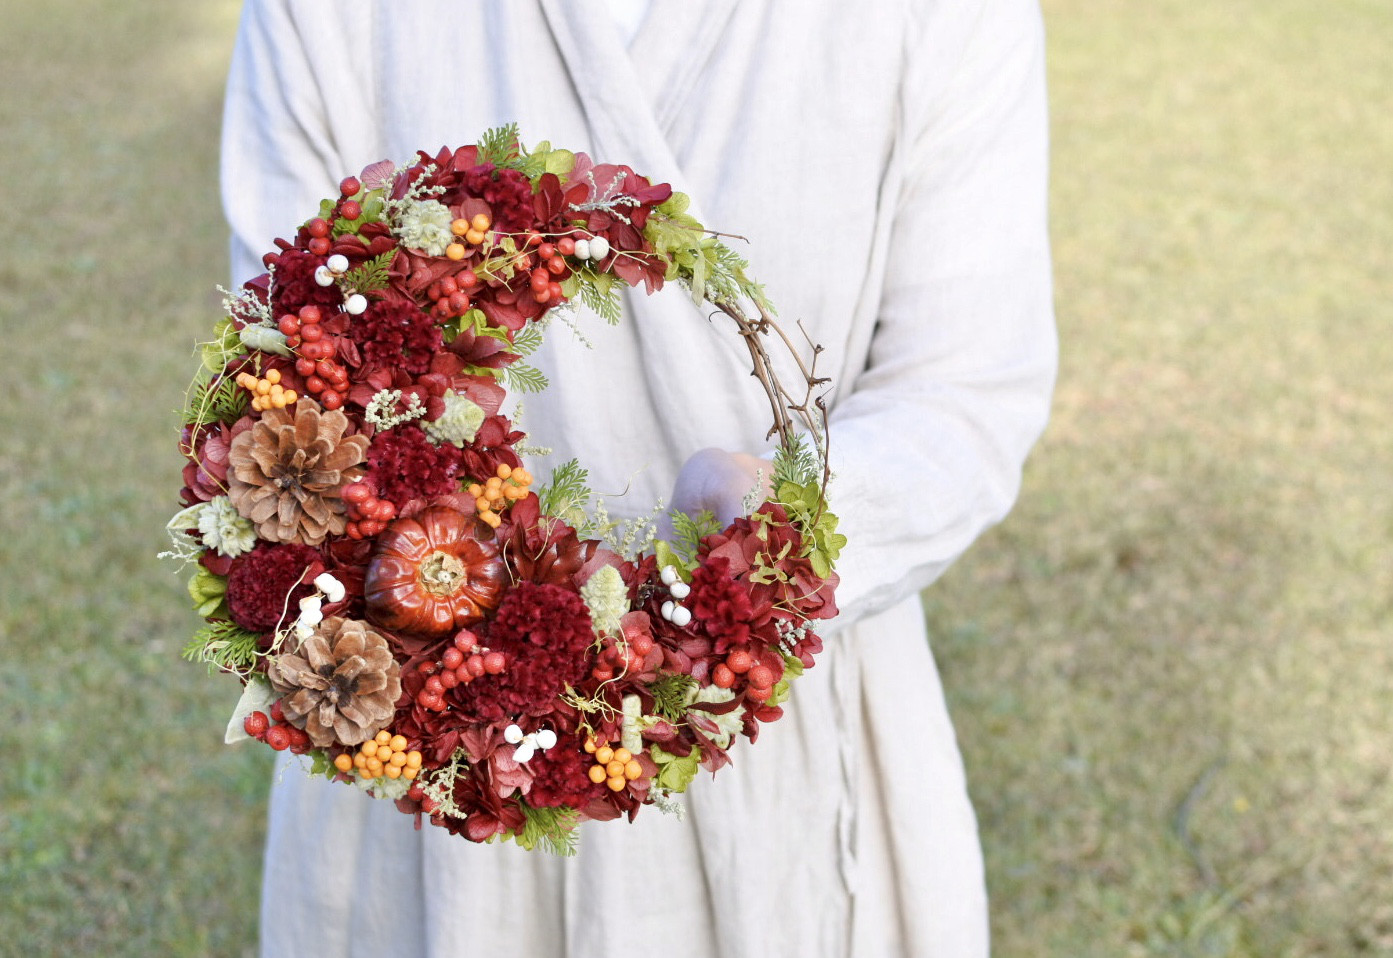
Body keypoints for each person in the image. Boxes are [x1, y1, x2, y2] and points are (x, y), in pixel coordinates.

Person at [221, 1, 1056, 955]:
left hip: (769, 717)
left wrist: (778, 540)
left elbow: (962, 390)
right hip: (431, 715)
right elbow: (292, 368)